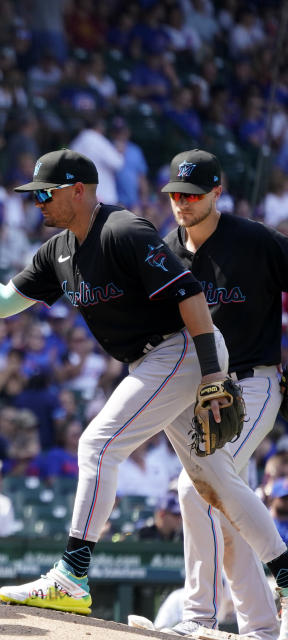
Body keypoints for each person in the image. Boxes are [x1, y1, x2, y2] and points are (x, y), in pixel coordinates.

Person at [0, 148, 288, 617]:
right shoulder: (58, 251)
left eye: (45, 192)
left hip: (179, 352)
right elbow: (1, 302)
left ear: (78, 190)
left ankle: (72, 573)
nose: (37, 201)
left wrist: (211, 374)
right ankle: (284, 570)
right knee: (211, 477)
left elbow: (191, 294)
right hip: (153, 362)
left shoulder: (124, 230)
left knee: (98, 445)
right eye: (34, 193)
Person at [157, 149, 288, 639]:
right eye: (175, 194)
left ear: (217, 191)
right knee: (226, 503)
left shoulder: (254, 240)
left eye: (192, 194)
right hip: (197, 392)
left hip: (253, 382)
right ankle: (260, 628)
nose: (182, 203)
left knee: (197, 485)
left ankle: (199, 618)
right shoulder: (167, 249)